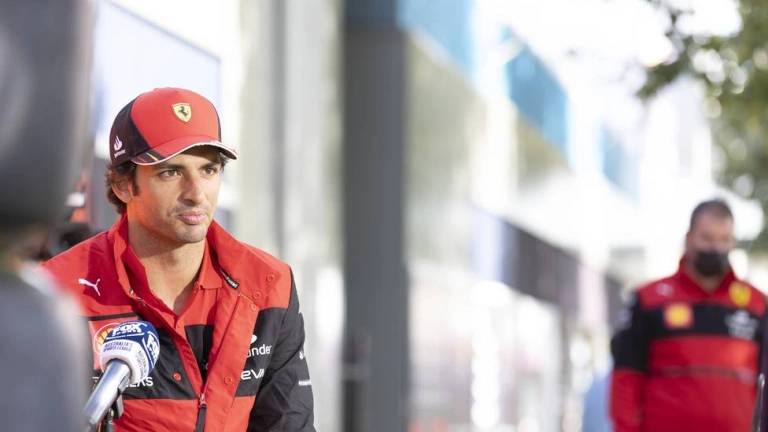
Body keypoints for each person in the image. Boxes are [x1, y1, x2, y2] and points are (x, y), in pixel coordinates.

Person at [38, 87, 316, 431]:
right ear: (123, 185)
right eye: (171, 172)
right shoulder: (56, 292)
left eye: (209, 170)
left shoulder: (268, 283)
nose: (196, 194)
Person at [609, 199, 765, 432]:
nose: (715, 248)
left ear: (733, 242)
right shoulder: (648, 300)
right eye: (707, 238)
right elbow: (626, 379)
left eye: (724, 240)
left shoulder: (757, 305)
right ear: (689, 238)